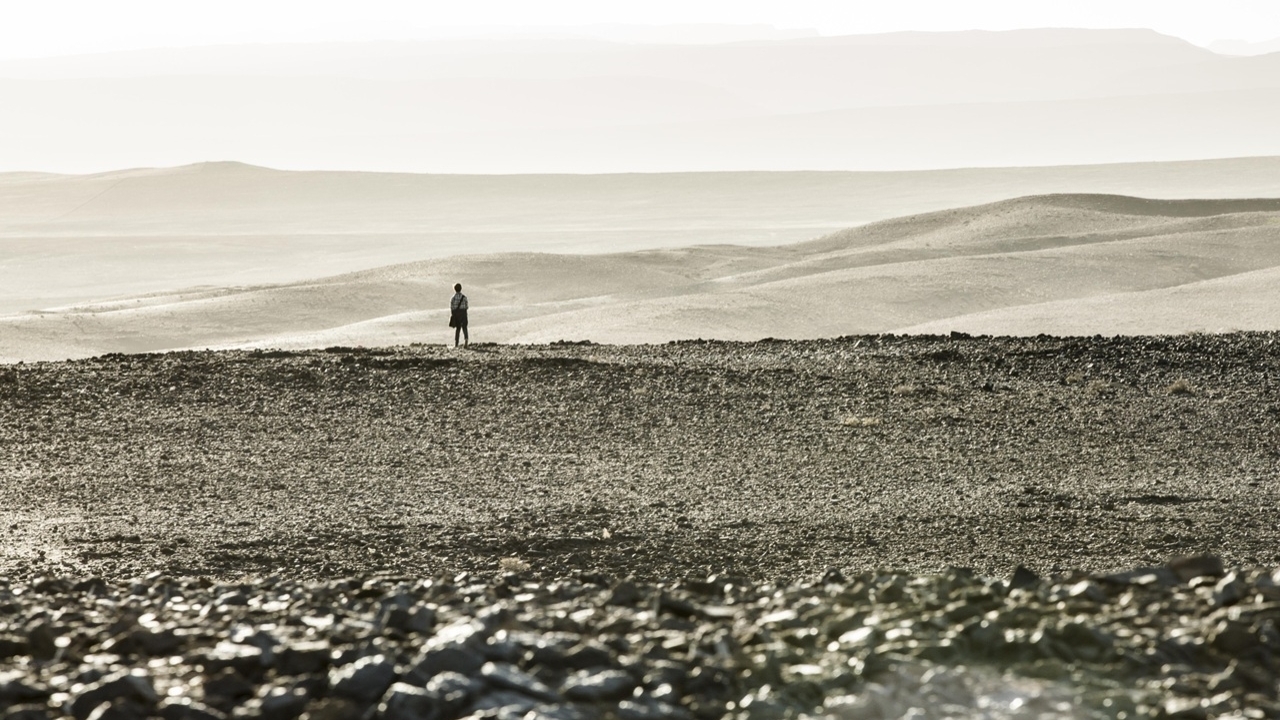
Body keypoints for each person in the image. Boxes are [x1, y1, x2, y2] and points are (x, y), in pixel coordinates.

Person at [449, 283, 469, 347]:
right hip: (463, 313)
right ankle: (466, 340)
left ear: (455, 289)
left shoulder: (453, 298)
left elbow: (452, 307)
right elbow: (467, 307)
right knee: (464, 327)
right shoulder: (464, 297)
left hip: (456, 314)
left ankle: (456, 343)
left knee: (458, 329)